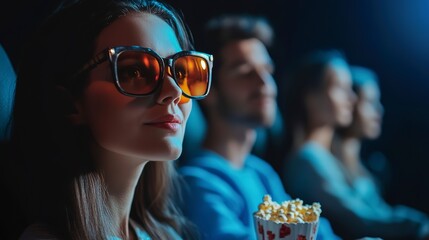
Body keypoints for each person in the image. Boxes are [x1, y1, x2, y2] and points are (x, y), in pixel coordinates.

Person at [11, 0, 213, 239]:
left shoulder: (167, 235)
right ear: (69, 103)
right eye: (135, 72)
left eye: (181, 72)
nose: (174, 91)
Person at [178, 14, 340, 240]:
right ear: (209, 90)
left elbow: (314, 231)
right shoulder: (197, 181)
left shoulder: (262, 174)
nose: (265, 83)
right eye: (245, 73)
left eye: (267, 70)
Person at [280, 51, 429, 240]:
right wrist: (418, 226)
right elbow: (357, 221)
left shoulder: (325, 158)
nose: (351, 98)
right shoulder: (307, 159)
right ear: (310, 97)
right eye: (339, 88)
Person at [331, 65, 429, 239]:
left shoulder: (370, 166)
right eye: (369, 103)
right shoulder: (328, 164)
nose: (379, 111)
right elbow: (359, 221)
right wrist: (418, 226)